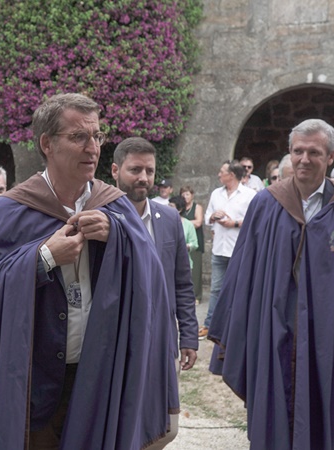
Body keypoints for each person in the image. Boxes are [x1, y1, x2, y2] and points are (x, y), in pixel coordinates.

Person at [0, 93, 176, 449]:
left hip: (101, 374)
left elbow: (153, 283)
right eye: (78, 137)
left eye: (97, 136)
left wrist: (117, 238)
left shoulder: (115, 207)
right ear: (47, 144)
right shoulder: (10, 209)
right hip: (33, 382)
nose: (92, 148)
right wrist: (42, 258)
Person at [208, 119, 334, 450]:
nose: (304, 159)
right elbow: (243, 273)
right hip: (277, 329)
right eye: (298, 151)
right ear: (289, 153)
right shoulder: (266, 204)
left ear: (330, 156)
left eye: (314, 152)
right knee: (280, 412)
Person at [111, 136, 198, 449]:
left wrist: (188, 335)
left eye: (149, 170)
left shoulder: (170, 219)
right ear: (115, 170)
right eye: (135, 170)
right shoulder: (104, 218)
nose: (143, 178)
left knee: (165, 427)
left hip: (161, 337)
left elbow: (182, 283)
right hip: (118, 340)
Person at [198, 160, 256, 339]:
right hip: (219, 249)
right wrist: (213, 216)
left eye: (222, 171)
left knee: (239, 288)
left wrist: (235, 223)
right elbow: (207, 216)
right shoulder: (216, 193)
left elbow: (255, 220)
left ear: (232, 175)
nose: (218, 174)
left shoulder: (249, 195)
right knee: (215, 289)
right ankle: (210, 325)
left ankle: (235, 326)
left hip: (238, 250)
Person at [180, 185, 204, 302]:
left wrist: (184, 223)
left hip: (195, 239)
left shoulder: (197, 207)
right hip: (184, 239)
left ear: (192, 195)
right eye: (183, 194)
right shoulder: (181, 207)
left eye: (187, 194)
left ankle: (197, 295)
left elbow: (198, 222)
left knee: (196, 269)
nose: (185, 196)